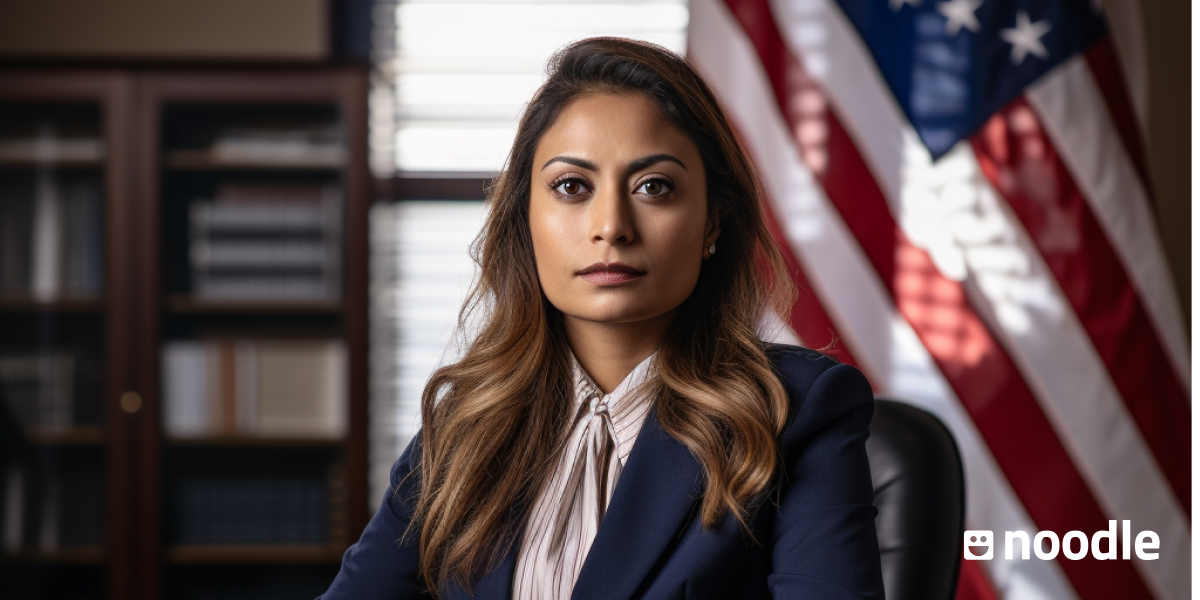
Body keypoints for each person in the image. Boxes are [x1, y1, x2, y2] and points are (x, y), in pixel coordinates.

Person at [320, 37, 883, 600]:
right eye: (572, 187)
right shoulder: (466, 425)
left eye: (653, 187)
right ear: (525, 220)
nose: (610, 225)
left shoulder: (796, 412)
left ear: (713, 222)